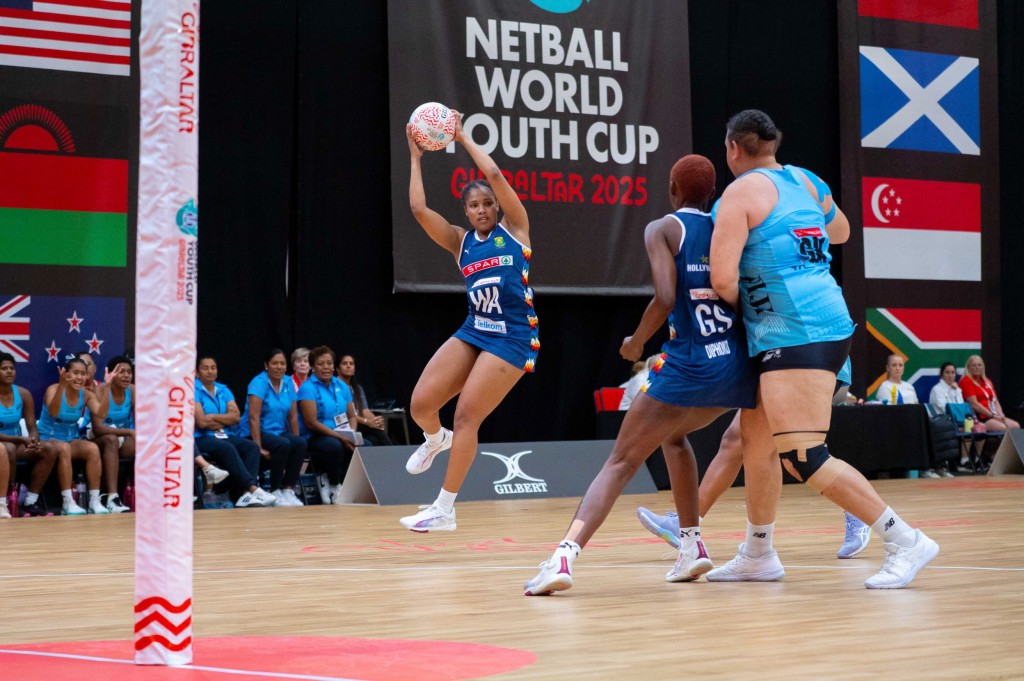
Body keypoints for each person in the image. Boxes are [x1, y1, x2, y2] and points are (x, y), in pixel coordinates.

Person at [708, 109, 937, 589]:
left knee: (802, 455)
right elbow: (840, 232)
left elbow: (722, 279)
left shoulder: (739, 193)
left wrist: (750, 308)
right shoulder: (806, 182)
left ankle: (904, 539)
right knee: (756, 442)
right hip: (824, 317)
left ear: (733, 148)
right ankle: (758, 552)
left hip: (794, 330)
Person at [525, 154, 758, 595]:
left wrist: (635, 342)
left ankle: (563, 557)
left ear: (672, 188)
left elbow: (666, 296)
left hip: (689, 363)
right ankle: (691, 546)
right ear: (711, 193)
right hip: (733, 368)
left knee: (619, 462)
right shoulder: (728, 226)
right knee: (673, 438)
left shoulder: (664, 228)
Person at [400, 110, 539, 532]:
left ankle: (444, 508)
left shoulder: (515, 230)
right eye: (473, 206)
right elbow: (419, 208)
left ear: (497, 207)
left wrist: (461, 137)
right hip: (476, 329)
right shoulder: (460, 242)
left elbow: (494, 173)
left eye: (487, 204)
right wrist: (416, 157)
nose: (481, 210)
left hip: (513, 337)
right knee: (421, 404)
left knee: (466, 417)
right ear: (466, 210)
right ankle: (434, 440)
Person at [635, 358, 874, 560]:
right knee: (739, 441)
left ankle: (878, 521)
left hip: (808, 360)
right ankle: (688, 523)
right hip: (779, 363)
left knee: (799, 456)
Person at [194, 355, 275, 508]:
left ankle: (242, 496)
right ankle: (252, 489)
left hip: (225, 435)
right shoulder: (193, 389)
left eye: (213, 368)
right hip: (201, 438)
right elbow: (201, 422)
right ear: (197, 372)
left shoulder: (223, 389)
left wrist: (212, 416)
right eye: (205, 368)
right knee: (228, 448)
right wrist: (224, 418)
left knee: (251, 447)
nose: (210, 371)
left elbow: (236, 417)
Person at [38, 357, 108, 515]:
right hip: (47, 439)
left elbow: (102, 412)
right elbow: (54, 413)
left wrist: (108, 387)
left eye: (83, 374)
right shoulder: (53, 389)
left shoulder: (87, 395)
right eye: (75, 373)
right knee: (64, 448)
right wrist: (61, 387)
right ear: (66, 374)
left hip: (71, 440)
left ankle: (94, 501)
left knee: (92, 449)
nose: (80, 377)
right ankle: (68, 502)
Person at [239, 349, 306, 507]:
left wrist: (296, 440)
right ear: (266, 365)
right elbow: (253, 417)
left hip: (277, 431)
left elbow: (293, 416)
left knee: (300, 443)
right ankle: (275, 490)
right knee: (283, 444)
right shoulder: (258, 383)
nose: (279, 367)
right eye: (275, 363)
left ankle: (288, 489)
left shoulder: (289, 382)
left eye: (282, 363)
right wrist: (258, 447)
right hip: (254, 432)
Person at [0, 352, 60, 518]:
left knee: (49, 449)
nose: (9, 371)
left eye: (12, 368)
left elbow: (32, 425)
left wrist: (33, 440)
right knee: (9, 449)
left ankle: (30, 501)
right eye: (4, 368)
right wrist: (20, 439)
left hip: (19, 443)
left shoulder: (24, 394)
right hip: (6, 446)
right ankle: (9, 499)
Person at [298, 346, 359, 504]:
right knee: (335, 445)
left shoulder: (342, 386)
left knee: (365, 444)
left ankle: (349, 486)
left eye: (329, 363)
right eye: (321, 364)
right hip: (314, 436)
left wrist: (351, 433)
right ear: (312, 366)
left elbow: (352, 415)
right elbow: (311, 422)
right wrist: (341, 437)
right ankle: (334, 485)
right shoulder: (307, 388)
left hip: (340, 433)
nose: (326, 367)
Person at [90, 355, 135, 513]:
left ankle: (158, 495)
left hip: (121, 437)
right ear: (111, 373)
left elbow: (142, 421)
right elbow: (98, 429)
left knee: (149, 444)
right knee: (111, 440)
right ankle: (112, 498)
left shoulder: (132, 390)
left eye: (129, 372)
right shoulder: (100, 390)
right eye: (121, 372)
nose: (126, 375)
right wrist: (129, 431)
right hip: (96, 437)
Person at [337, 354, 392, 446]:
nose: (348, 366)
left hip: (360, 424)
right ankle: (393, 454)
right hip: (345, 423)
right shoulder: (336, 387)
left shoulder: (357, 388)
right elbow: (347, 414)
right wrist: (367, 422)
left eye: (351, 364)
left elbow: (364, 410)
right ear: (338, 369)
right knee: (376, 431)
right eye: (344, 363)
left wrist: (376, 420)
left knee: (373, 439)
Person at [960, 355, 1019, 434]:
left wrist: (1001, 414)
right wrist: (992, 416)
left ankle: (1008, 446)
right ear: (968, 367)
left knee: (1016, 426)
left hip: (993, 414)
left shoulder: (987, 381)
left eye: (979, 365)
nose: (977, 367)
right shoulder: (966, 381)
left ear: (983, 367)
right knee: (1002, 428)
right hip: (980, 416)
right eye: (974, 365)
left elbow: (995, 401)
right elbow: (974, 404)